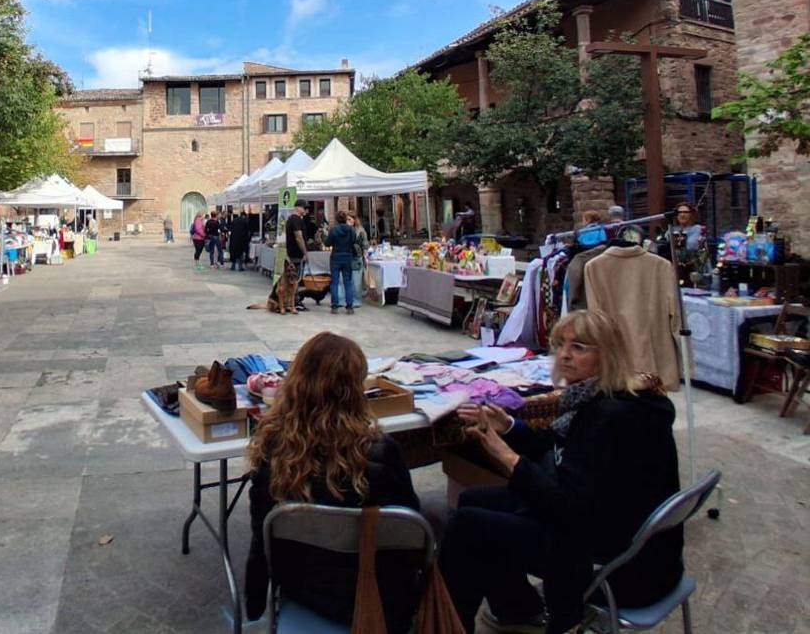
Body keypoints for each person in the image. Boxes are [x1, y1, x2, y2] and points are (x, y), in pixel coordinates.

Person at [441, 310, 683, 634]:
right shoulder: (609, 398)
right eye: (561, 345)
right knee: (474, 500)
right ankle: (518, 608)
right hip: (623, 538)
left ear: (607, 354)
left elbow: (567, 508)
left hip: (620, 565)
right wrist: (509, 426)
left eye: (579, 347)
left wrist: (507, 457)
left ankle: (448, 626)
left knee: (467, 526)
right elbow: (560, 451)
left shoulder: (610, 417)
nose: (565, 355)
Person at [245, 332, 421, 631]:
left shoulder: (273, 448)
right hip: (378, 597)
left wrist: (254, 602)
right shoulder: (380, 451)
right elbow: (411, 531)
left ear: (296, 383)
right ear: (355, 389)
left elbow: (262, 538)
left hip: (304, 590)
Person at [665, 201, 708, 286]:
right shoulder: (671, 229)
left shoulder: (697, 229)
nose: (682, 215)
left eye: (685, 212)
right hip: (673, 268)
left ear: (691, 214)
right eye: (679, 212)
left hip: (692, 269)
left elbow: (692, 245)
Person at [323, 211, 358, 314]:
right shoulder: (351, 230)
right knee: (348, 282)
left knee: (335, 282)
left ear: (337, 219)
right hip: (347, 257)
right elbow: (354, 241)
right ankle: (350, 306)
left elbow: (327, 243)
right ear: (346, 219)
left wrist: (325, 237)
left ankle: (335, 306)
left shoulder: (334, 230)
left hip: (336, 258)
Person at [284, 199, 310, 279]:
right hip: (296, 254)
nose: (307, 211)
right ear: (298, 208)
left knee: (294, 278)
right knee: (295, 278)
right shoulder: (296, 220)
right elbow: (299, 237)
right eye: (305, 208)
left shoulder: (292, 219)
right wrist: (305, 253)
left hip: (294, 253)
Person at [348, 212, 369, 304]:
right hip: (348, 257)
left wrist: (365, 257)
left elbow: (365, 245)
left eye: (349, 219)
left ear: (354, 220)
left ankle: (356, 300)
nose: (348, 221)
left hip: (357, 256)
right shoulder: (346, 229)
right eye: (346, 219)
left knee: (356, 280)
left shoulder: (360, 230)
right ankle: (350, 299)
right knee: (349, 280)